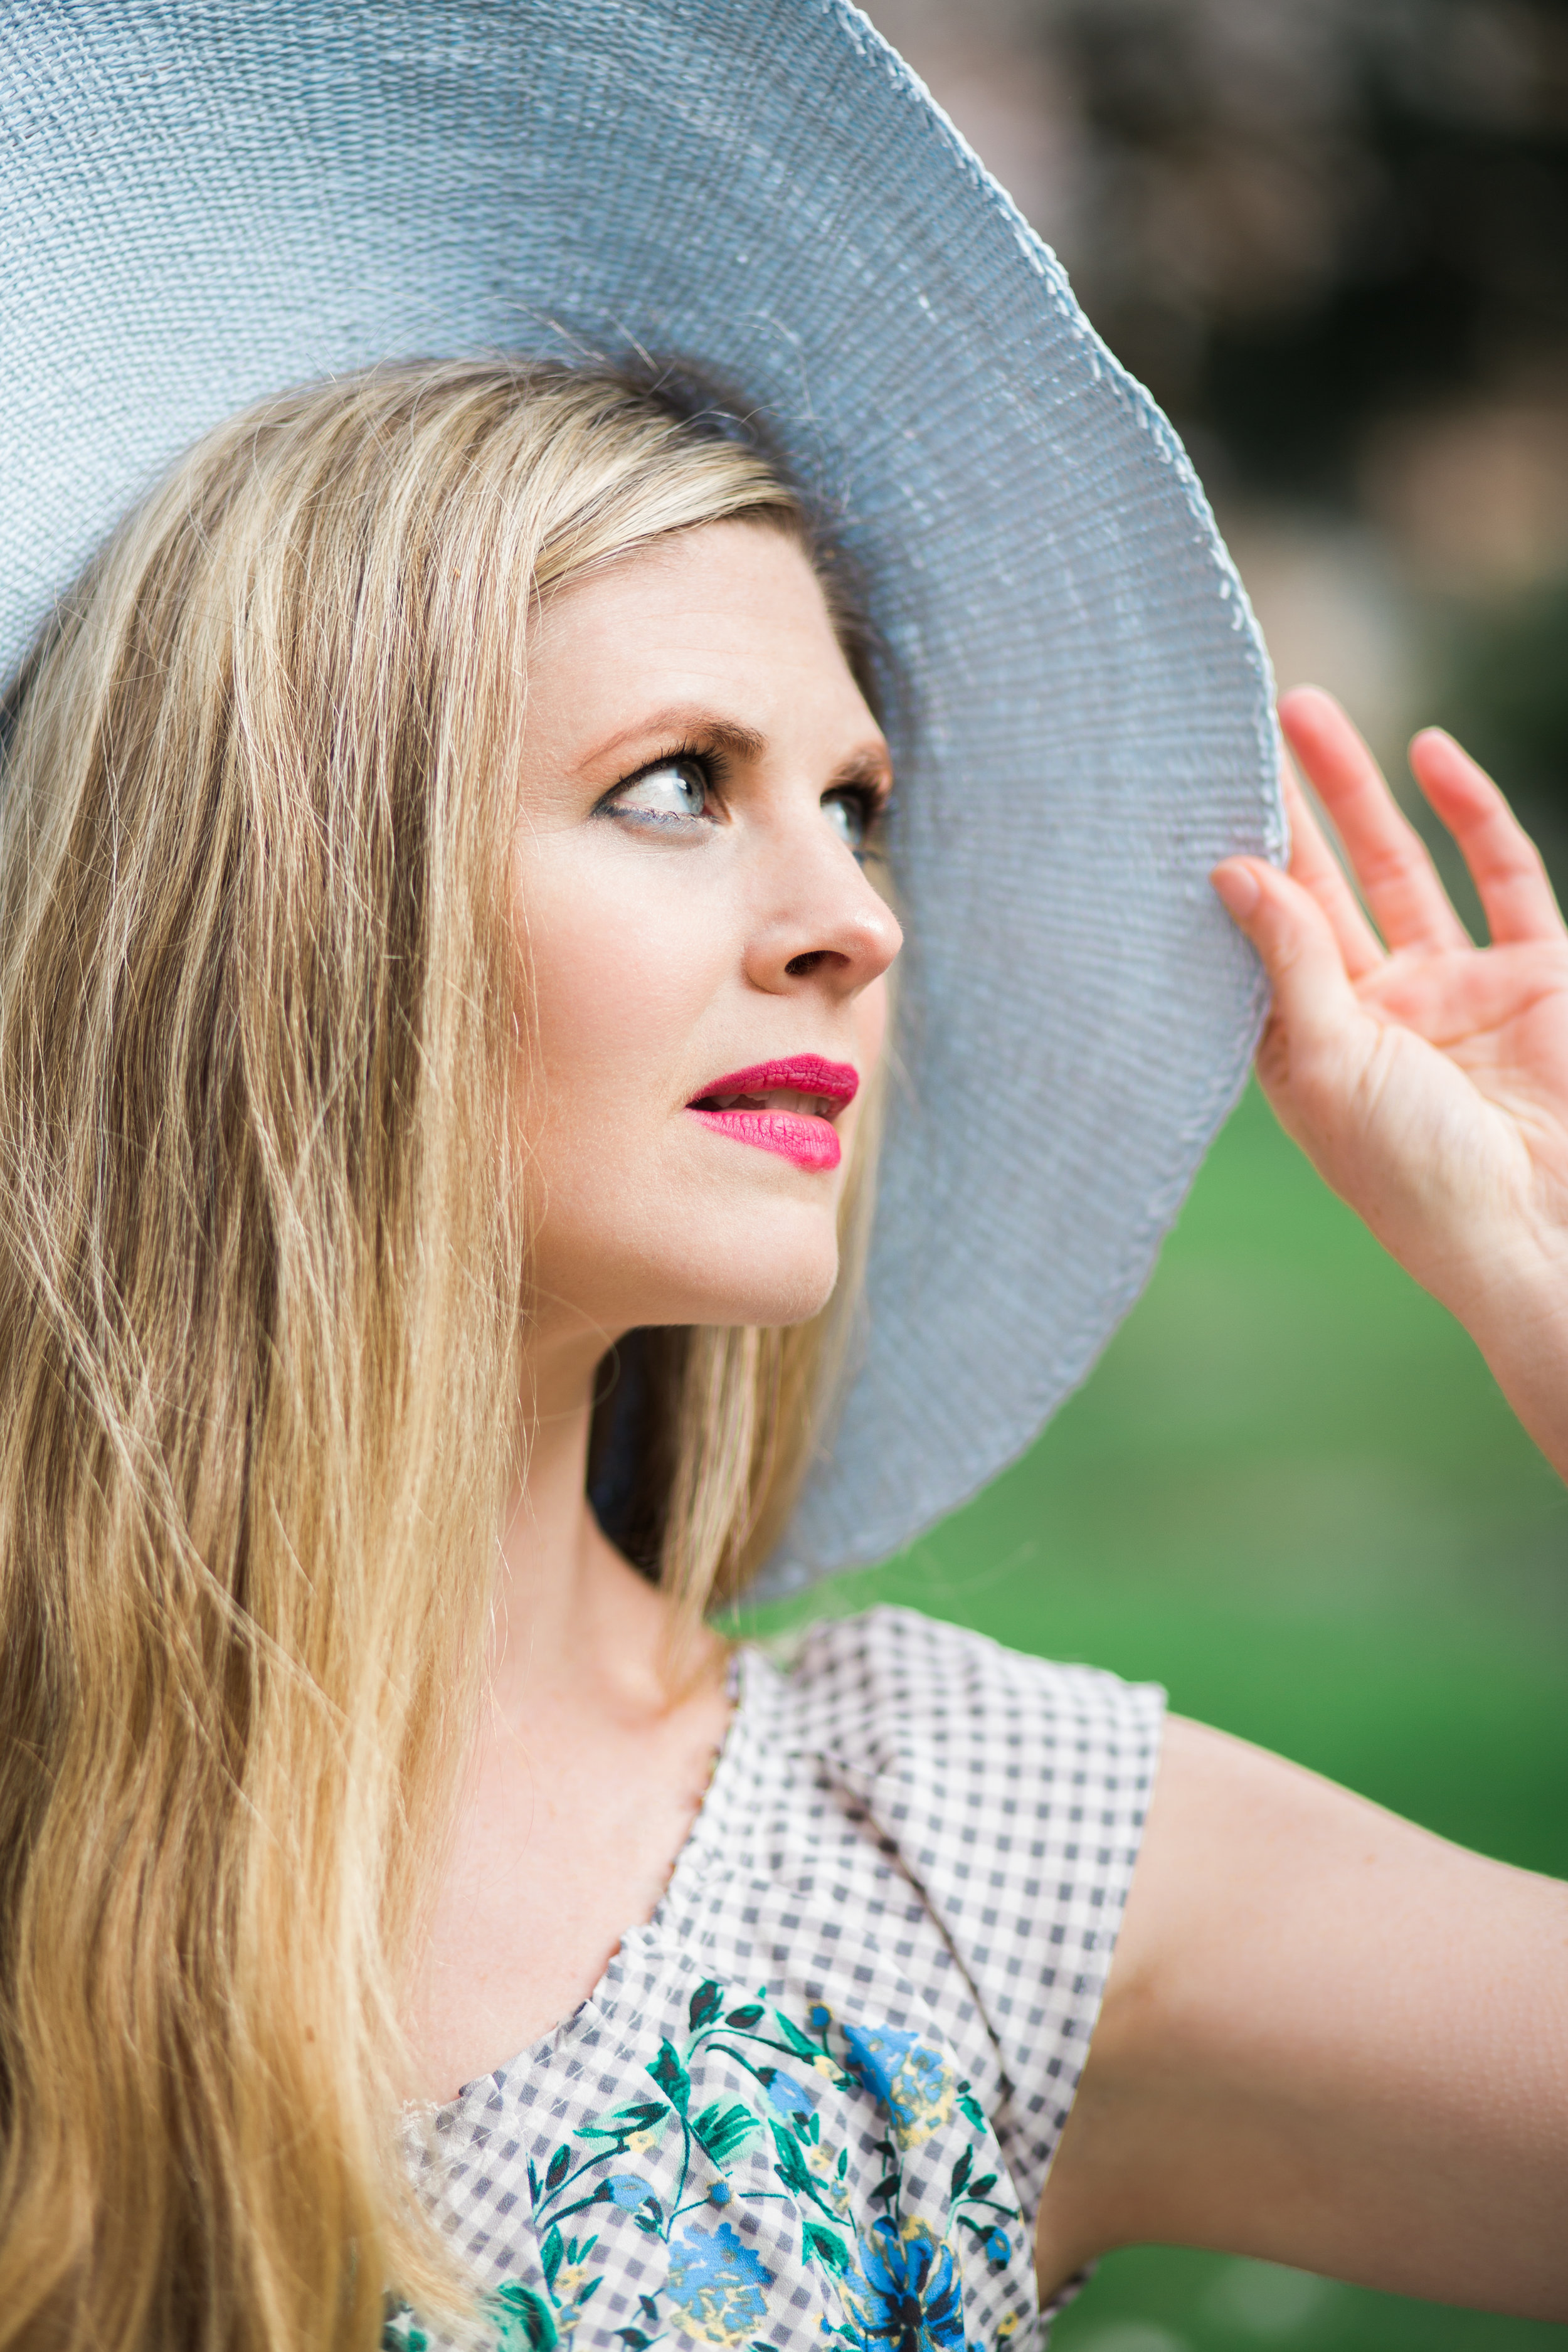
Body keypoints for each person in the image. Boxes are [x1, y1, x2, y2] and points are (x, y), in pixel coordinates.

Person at [0, 14, 1562, 2352]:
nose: (857, 917)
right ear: (297, 905)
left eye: (858, 801)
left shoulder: (972, 1863)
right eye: (674, 783)